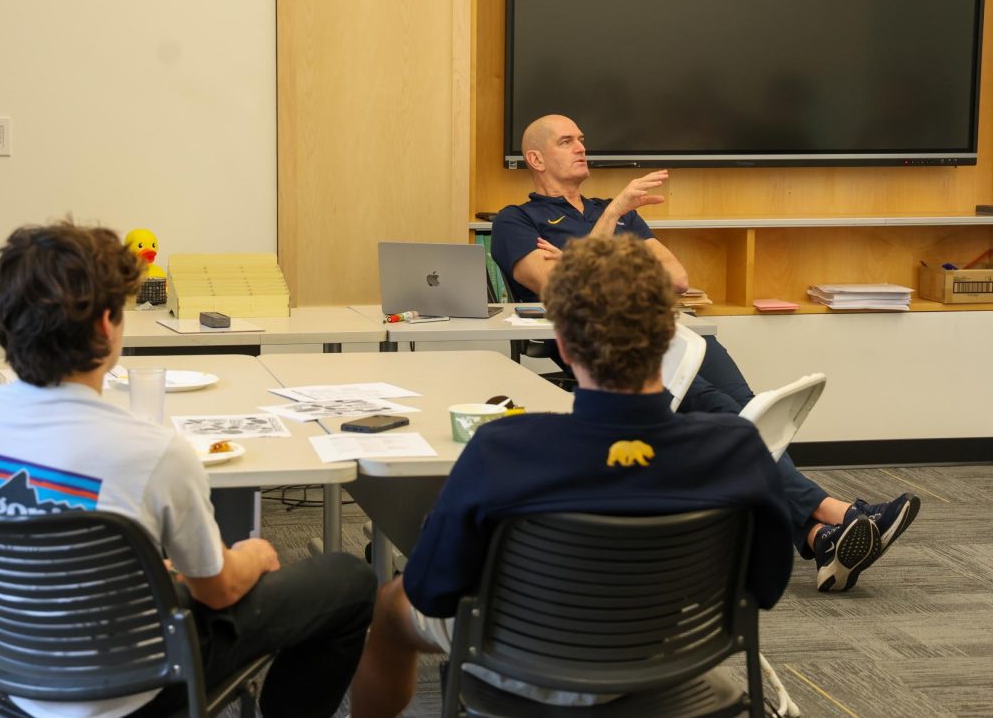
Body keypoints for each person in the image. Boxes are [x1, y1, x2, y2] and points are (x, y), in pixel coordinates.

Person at [351, 234, 820, 716]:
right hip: (668, 657)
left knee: (391, 606)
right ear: (670, 336)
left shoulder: (502, 450)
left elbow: (433, 590)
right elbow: (763, 587)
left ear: (562, 344)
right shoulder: (736, 451)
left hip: (517, 664)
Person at [0, 221, 376, 718]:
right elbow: (219, 589)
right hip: (135, 687)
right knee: (348, 581)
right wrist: (253, 554)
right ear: (106, 325)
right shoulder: (152, 451)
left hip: (4, 671)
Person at [490, 114, 920, 590]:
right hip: (605, 344)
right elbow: (561, 286)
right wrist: (612, 223)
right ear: (535, 158)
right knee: (729, 419)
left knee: (753, 411)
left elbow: (675, 279)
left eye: (582, 139)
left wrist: (591, 248)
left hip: (674, 329)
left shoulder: (621, 210)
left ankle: (821, 536)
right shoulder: (517, 220)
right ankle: (838, 514)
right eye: (567, 141)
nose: (581, 147)